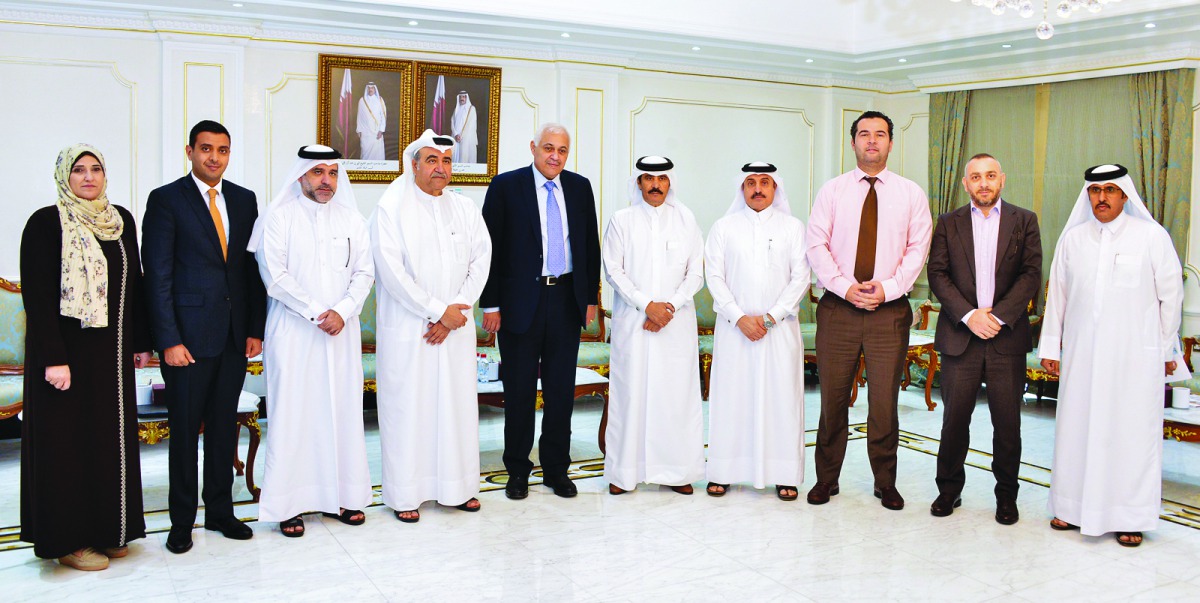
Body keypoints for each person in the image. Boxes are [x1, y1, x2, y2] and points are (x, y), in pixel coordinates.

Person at [19, 144, 153, 571]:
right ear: (64, 176)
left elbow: (136, 284)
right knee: (68, 447)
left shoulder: (119, 222)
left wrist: (140, 341)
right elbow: (38, 300)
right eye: (79, 170)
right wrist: (53, 359)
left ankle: (109, 530)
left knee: (107, 443)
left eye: (96, 169)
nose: (89, 177)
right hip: (67, 359)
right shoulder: (45, 224)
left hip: (110, 357)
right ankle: (69, 540)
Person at [1039, 164, 1186, 548]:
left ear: (1123, 194)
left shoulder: (1151, 237)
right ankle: (1070, 508)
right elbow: (1059, 298)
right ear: (1087, 195)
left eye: (1109, 190)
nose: (1101, 197)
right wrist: (1051, 347)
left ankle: (1129, 516)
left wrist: (1168, 347)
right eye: (1094, 190)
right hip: (1083, 356)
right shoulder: (1073, 240)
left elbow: (1171, 296)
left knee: (1130, 434)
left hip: (1134, 358)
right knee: (1077, 429)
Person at [142, 120, 267, 554]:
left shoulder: (244, 199)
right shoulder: (166, 200)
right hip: (187, 343)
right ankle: (181, 522)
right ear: (190, 151)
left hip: (234, 338)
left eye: (223, 150)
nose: (215, 157)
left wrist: (255, 330)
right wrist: (168, 340)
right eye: (206, 149)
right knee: (184, 433)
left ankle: (220, 511)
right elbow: (156, 277)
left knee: (222, 430)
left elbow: (253, 272)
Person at [806, 110, 932, 510]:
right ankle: (826, 479)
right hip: (838, 310)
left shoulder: (911, 194)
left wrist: (888, 289)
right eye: (864, 134)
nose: (872, 141)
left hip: (888, 312)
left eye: (880, 134)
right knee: (833, 400)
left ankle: (885, 482)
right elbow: (816, 246)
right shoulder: (832, 191)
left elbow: (917, 250)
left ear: (891, 143)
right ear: (853, 142)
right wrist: (845, 288)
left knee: (883, 404)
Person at [250, 145, 374, 537]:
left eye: (333, 173)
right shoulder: (278, 218)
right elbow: (276, 276)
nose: (326, 181)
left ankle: (341, 496)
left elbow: (365, 273)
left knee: (340, 412)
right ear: (301, 175)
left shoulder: (353, 219)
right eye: (318, 172)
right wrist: (320, 312)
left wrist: (344, 309)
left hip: (342, 331)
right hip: (295, 331)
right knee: (294, 416)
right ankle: (289, 505)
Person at [371, 130, 492, 522]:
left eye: (446, 161)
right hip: (412, 331)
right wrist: (437, 311)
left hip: (455, 329)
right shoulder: (391, 207)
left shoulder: (465, 208)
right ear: (414, 164)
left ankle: (457, 489)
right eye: (431, 160)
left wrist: (457, 310)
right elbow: (392, 273)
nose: (440, 168)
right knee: (410, 409)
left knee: (455, 409)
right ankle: (407, 494)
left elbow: (481, 261)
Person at [480, 123, 601, 500]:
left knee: (561, 393)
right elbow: (489, 249)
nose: (555, 156)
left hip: (565, 301)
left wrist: (591, 298)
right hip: (519, 305)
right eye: (548, 148)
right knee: (518, 393)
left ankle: (556, 470)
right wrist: (491, 304)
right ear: (533, 147)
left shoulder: (580, 188)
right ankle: (517, 471)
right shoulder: (506, 186)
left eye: (562, 150)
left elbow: (588, 246)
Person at [926, 153, 1042, 524]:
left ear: (1002, 179)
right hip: (961, 336)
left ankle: (1006, 497)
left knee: (1007, 425)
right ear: (965, 183)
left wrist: (998, 317)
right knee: (954, 422)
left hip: (1005, 338)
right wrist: (970, 315)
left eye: (990, 175)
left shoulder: (1025, 220)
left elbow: (1030, 274)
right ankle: (948, 491)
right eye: (975, 177)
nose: (984, 183)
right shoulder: (947, 222)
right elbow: (938, 274)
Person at [703, 162, 810, 500]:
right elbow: (714, 277)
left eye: (766, 182)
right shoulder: (723, 227)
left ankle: (784, 474)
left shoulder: (793, 228)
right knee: (732, 400)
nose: (758, 188)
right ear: (742, 188)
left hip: (778, 331)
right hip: (735, 331)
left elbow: (801, 277)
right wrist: (739, 317)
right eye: (751, 183)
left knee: (781, 401)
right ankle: (724, 471)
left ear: (776, 188)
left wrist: (769, 318)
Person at [601, 156, 705, 496]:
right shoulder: (622, 220)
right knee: (630, 394)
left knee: (674, 396)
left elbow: (696, 273)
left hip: (675, 325)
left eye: (661, 178)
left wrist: (669, 306)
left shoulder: (686, 219)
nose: (655, 184)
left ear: (670, 182)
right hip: (634, 322)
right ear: (639, 182)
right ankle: (623, 473)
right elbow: (613, 271)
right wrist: (647, 305)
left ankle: (676, 472)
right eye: (648, 178)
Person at [357, 82, 387, 161]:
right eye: (369, 88)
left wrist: (381, 130)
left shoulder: (380, 100)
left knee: (377, 154)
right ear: (367, 89)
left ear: (375, 89)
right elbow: (359, 116)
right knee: (365, 154)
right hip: (365, 132)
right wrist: (359, 130)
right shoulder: (362, 100)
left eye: (372, 88)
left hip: (377, 132)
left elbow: (383, 116)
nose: (370, 90)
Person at [451, 91, 478, 164]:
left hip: (466, 138)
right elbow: (452, 122)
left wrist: (461, 136)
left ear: (466, 98)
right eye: (460, 97)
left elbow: (470, 125)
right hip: (456, 137)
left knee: (465, 157)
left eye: (463, 97)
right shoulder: (456, 109)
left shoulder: (471, 109)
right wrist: (456, 134)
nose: (461, 99)